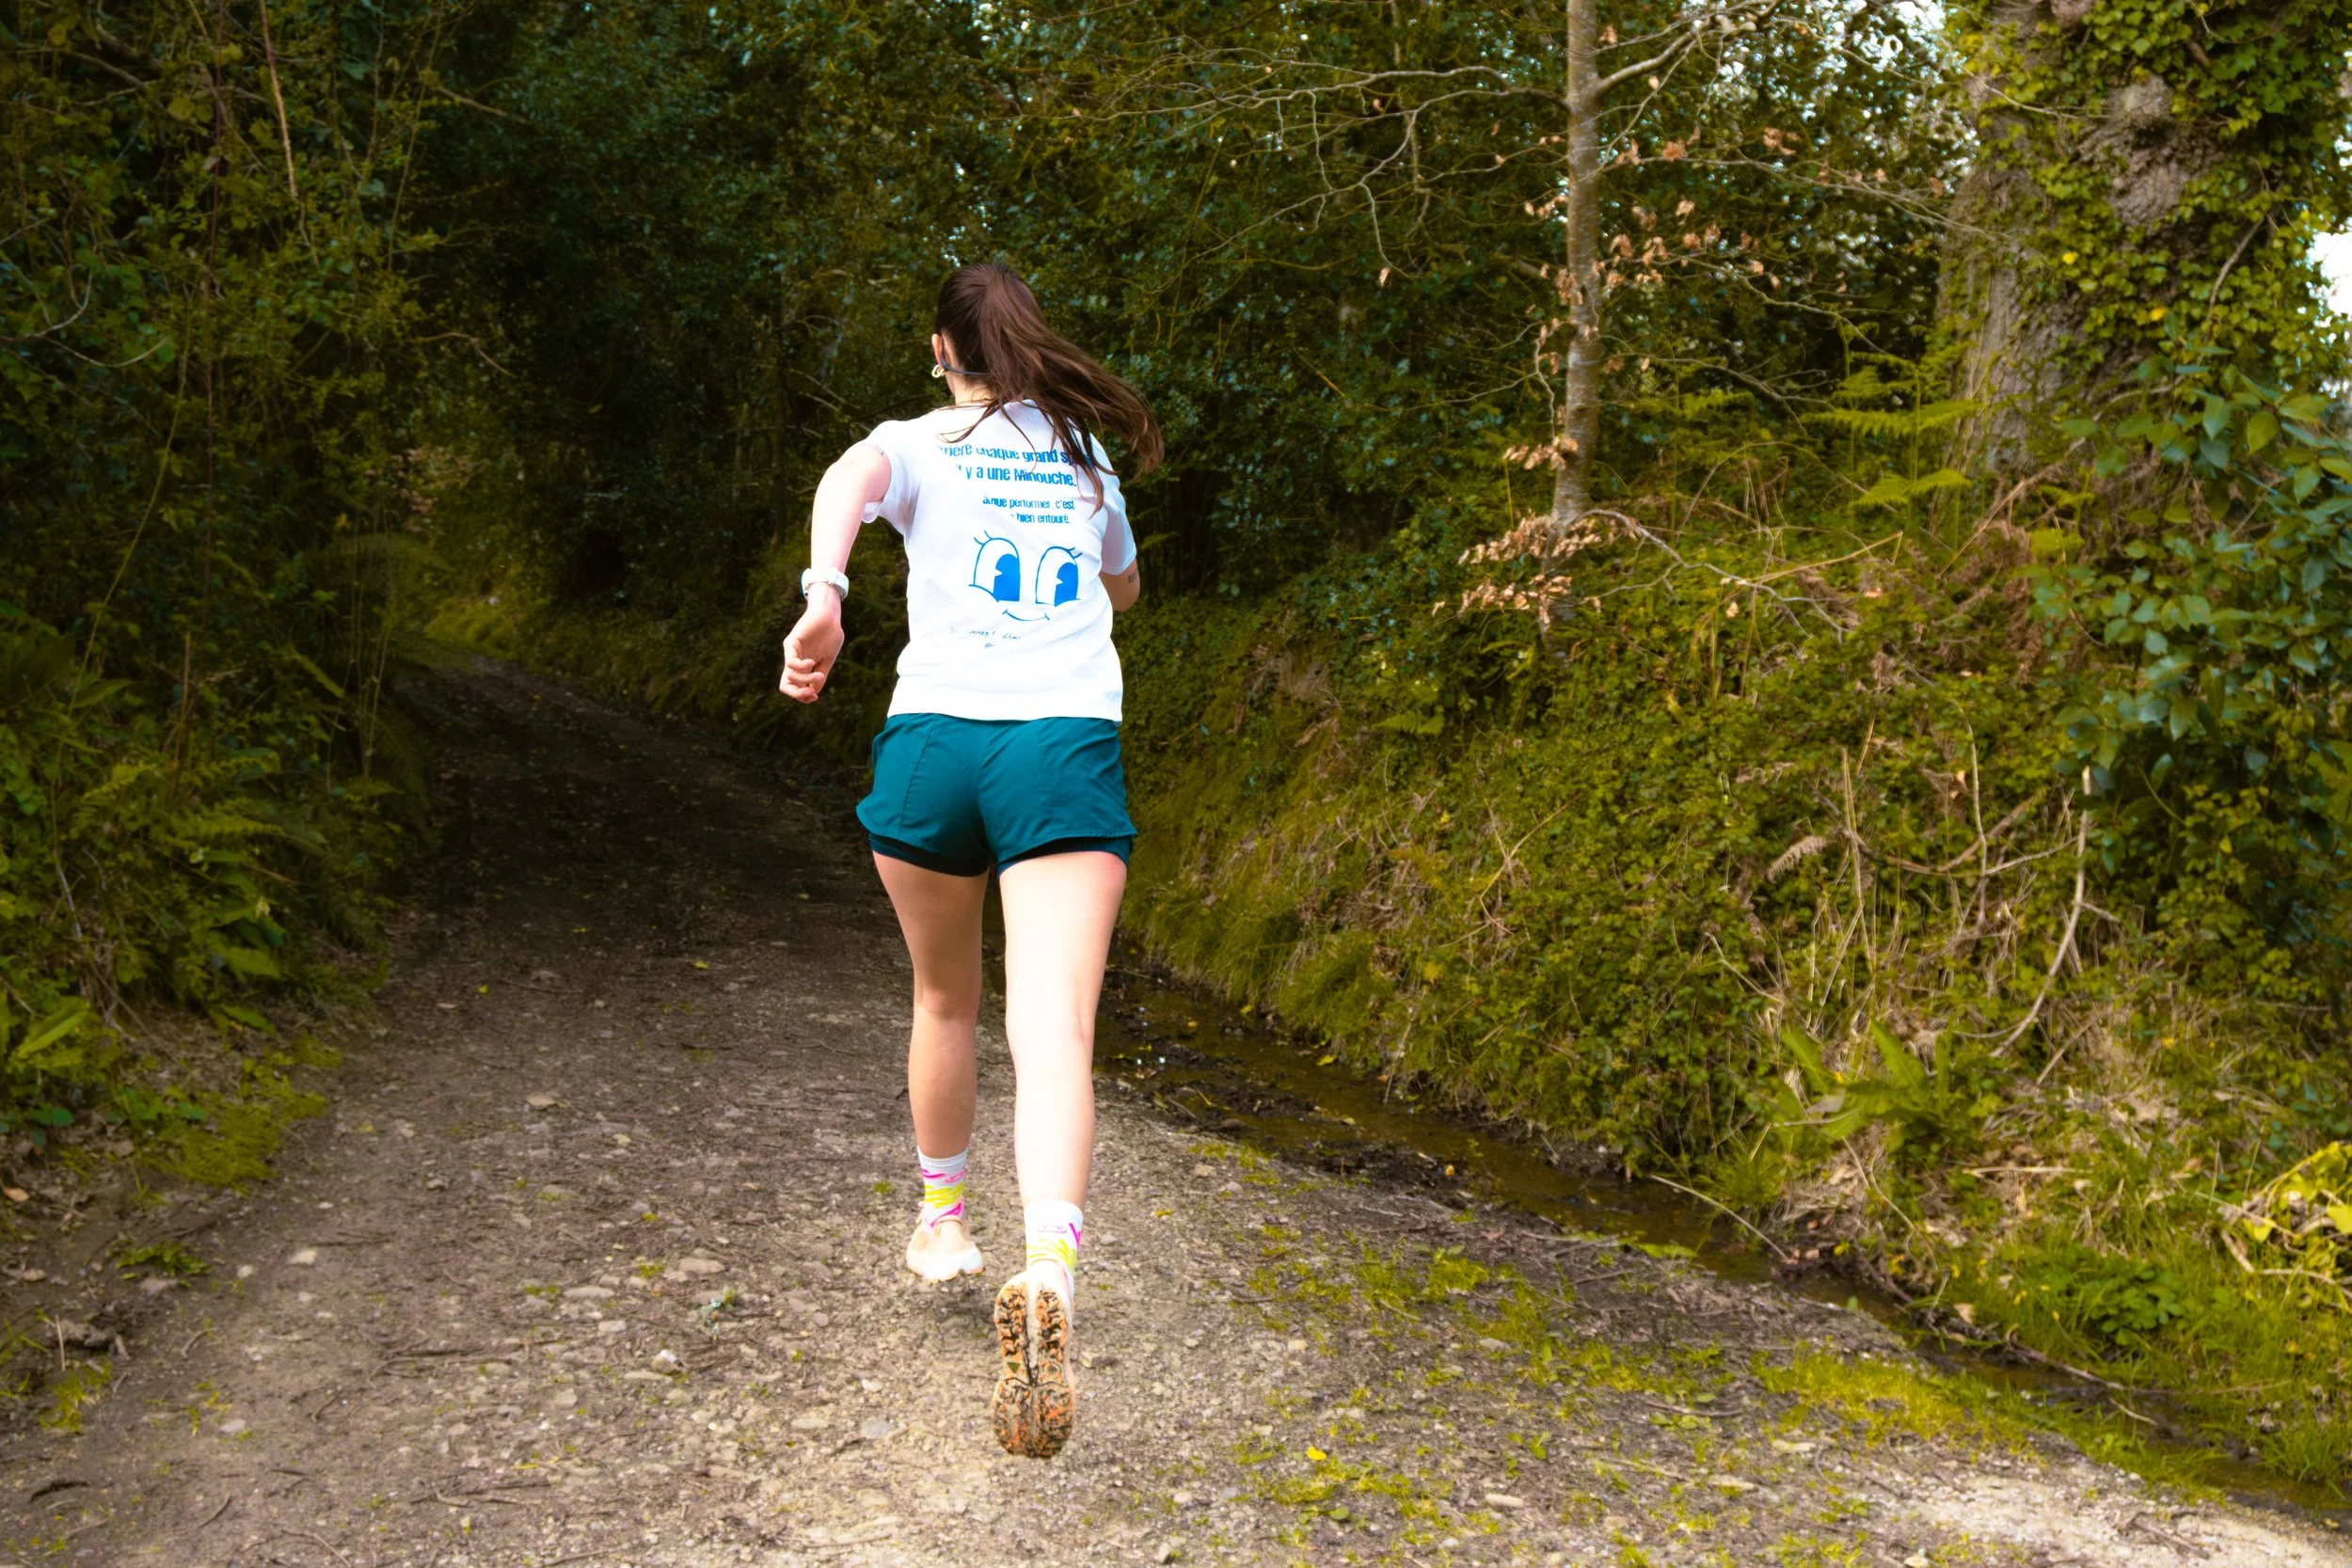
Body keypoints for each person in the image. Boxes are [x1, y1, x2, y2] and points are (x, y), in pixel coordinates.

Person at [777, 262, 1159, 1461]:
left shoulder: (912, 440)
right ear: (1029, 342)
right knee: (1055, 1033)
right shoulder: (1084, 455)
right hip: (1059, 749)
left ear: (939, 347)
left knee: (945, 996)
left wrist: (827, 590)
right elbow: (1125, 587)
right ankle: (1050, 1267)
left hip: (932, 742)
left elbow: (851, 477)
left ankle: (943, 1222)